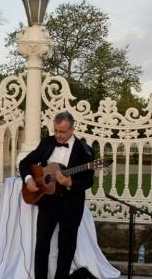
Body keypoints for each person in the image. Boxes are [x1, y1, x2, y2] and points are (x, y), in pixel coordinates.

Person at [19, 111, 95, 279]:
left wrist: (70, 183)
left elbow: (89, 181)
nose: (58, 135)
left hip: (71, 204)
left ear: (72, 130)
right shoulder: (47, 143)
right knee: (42, 244)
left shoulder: (85, 151)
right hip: (47, 201)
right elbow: (25, 163)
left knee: (67, 247)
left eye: (62, 132)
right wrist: (29, 179)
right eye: (56, 131)